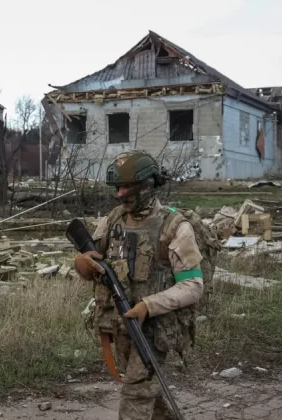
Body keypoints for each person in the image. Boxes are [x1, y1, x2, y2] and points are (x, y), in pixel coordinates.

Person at [73, 151, 204, 420]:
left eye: (125, 187)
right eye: (117, 188)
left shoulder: (174, 226)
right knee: (148, 398)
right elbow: (93, 262)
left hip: (155, 329)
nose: (119, 194)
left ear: (146, 185)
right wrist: (82, 264)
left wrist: (148, 305)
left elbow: (193, 285)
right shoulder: (112, 221)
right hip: (119, 324)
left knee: (135, 398)